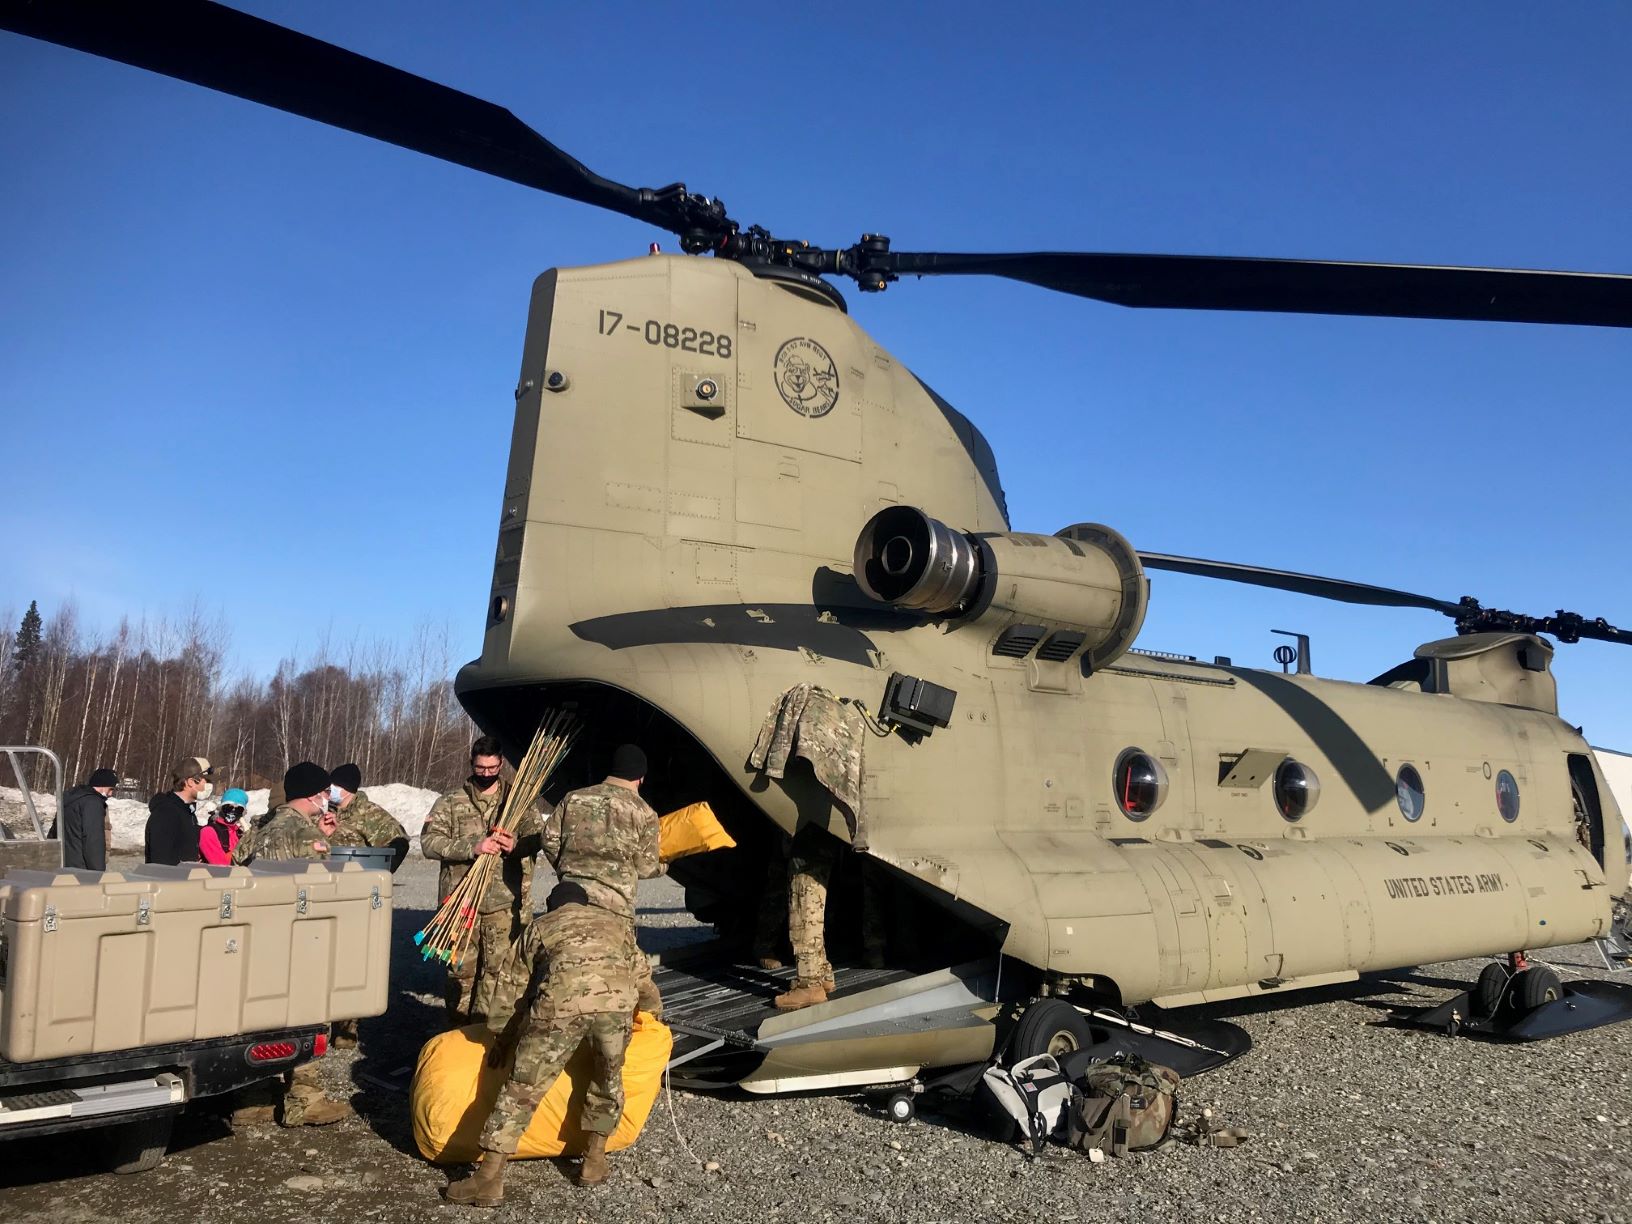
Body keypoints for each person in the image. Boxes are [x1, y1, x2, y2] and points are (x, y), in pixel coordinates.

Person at [444, 881, 648, 1207]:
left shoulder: (539, 927)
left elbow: (512, 990)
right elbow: (642, 977)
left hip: (560, 1009)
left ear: (553, 905)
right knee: (607, 1079)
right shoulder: (616, 924)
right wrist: (651, 1018)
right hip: (616, 1007)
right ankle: (594, 1161)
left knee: (522, 1088)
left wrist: (502, 1039)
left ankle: (489, 1179)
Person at [230, 761, 352, 1127]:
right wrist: (326, 839)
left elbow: (235, 866)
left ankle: (251, 1101)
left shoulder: (259, 828)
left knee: (257, 1019)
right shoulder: (305, 837)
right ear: (315, 794)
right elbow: (321, 888)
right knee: (308, 1017)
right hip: (297, 940)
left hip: (255, 938)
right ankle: (304, 1100)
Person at [421, 736, 544, 1026]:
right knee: (460, 973)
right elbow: (428, 842)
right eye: (480, 768)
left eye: (492, 768)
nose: (486, 774)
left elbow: (539, 838)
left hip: (504, 904)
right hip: (460, 904)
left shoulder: (518, 800)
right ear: (471, 763)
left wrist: (517, 844)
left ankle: (487, 1036)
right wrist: (472, 847)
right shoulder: (451, 801)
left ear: (501, 763)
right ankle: (458, 1030)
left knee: (499, 972)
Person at [542, 744, 662, 933]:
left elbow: (549, 839)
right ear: (641, 777)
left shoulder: (573, 798)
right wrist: (664, 866)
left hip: (570, 899)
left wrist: (567, 867)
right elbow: (645, 867)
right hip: (615, 908)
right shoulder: (645, 813)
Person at [328, 762, 410, 867]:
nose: (331, 788)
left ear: (348, 788)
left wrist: (381, 872)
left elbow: (399, 843)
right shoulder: (324, 810)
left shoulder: (369, 813)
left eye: (336, 785)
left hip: (358, 877)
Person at [144, 756, 214, 865]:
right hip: (171, 881)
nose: (210, 784)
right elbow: (161, 862)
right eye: (207, 779)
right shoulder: (166, 813)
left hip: (186, 880)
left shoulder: (187, 811)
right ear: (191, 782)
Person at [52, 766, 118, 871]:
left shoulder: (71, 800)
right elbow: (93, 839)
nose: (111, 794)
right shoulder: (92, 803)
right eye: (111, 789)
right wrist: (98, 872)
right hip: (82, 868)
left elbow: (54, 833)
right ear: (101, 784)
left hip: (65, 863)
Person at [199, 787, 249, 865]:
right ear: (221, 808)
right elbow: (220, 863)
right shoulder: (209, 831)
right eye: (228, 807)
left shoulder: (240, 834)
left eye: (238, 809)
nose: (233, 811)